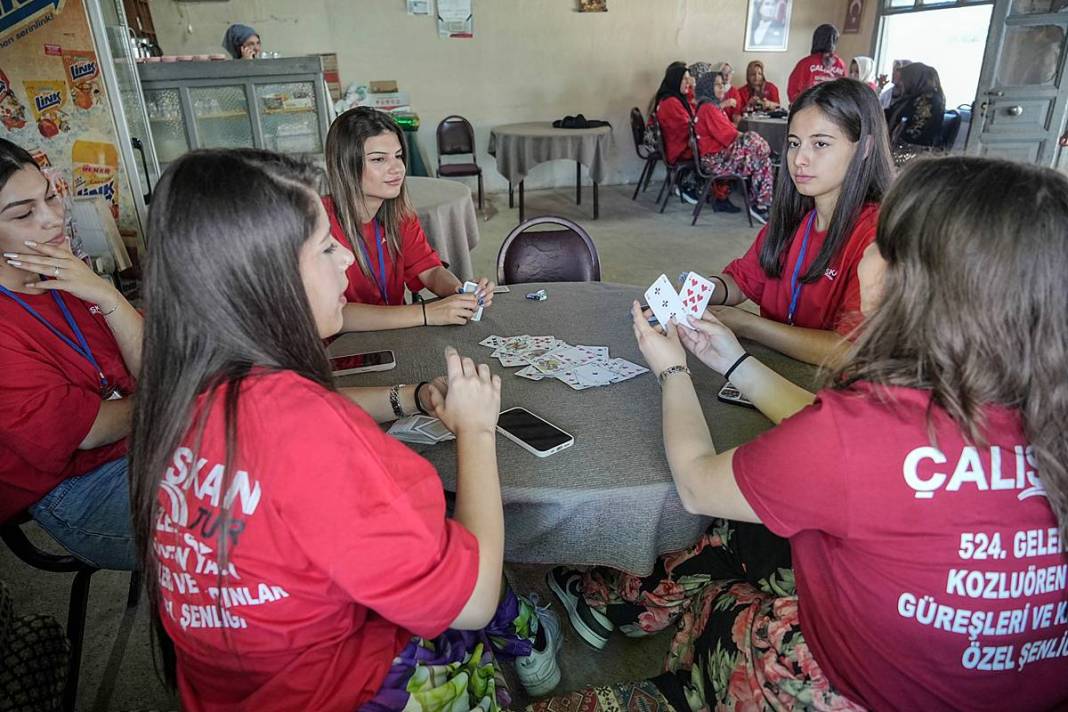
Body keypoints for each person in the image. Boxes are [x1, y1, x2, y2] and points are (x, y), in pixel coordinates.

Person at [558, 154, 1068, 711]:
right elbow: (835, 439)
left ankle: (676, 674)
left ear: (928, 289)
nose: (868, 255)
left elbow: (697, 483)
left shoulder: (865, 429)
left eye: (887, 246)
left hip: (852, 690)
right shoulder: (1030, 402)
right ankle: (624, 606)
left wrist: (673, 369)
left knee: (729, 562)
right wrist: (734, 362)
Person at [129, 149, 562, 711]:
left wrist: (406, 396)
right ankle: (527, 643)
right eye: (326, 247)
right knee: (480, 581)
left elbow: (289, 426)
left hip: (231, 690)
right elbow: (472, 598)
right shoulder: (313, 433)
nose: (347, 264)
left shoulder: (177, 395)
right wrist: (476, 433)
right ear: (269, 277)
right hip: (341, 689)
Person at [0, 138, 142, 571]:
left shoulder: (64, 275)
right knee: (251, 521)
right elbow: (89, 430)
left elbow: (151, 365)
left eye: (50, 197)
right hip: (75, 489)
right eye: (24, 213)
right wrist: (173, 398)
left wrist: (106, 294)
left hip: (139, 441)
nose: (52, 219)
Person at [323, 107, 495, 331]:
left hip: (393, 340)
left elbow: (430, 270)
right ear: (345, 166)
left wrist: (461, 294)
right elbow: (331, 315)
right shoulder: (318, 225)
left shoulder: (400, 216)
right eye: (378, 159)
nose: (397, 168)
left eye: (398, 156)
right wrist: (425, 313)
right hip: (339, 354)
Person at [690, 71, 776, 223]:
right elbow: (729, 136)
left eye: (722, 84)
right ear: (707, 87)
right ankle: (759, 203)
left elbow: (731, 133)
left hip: (722, 157)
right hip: (715, 161)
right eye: (717, 84)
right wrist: (748, 139)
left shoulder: (713, 107)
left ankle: (760, 205)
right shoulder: (708, 108)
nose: (722, 87)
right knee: (750, 138)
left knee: (763, 162)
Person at [886, 62, 946, 151]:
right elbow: (889, 114)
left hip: (915, 154)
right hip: (902, 148)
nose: (900, 84)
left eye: (902, 80)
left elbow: (914, 134)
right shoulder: (911, 99)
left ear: (912, 80)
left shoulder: (929, 101)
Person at [787, 24, 846, 102]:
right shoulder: (841, 64)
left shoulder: (805, 63)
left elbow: (792, 91)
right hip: (832, 109)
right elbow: (845, 92)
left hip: (809, 108)